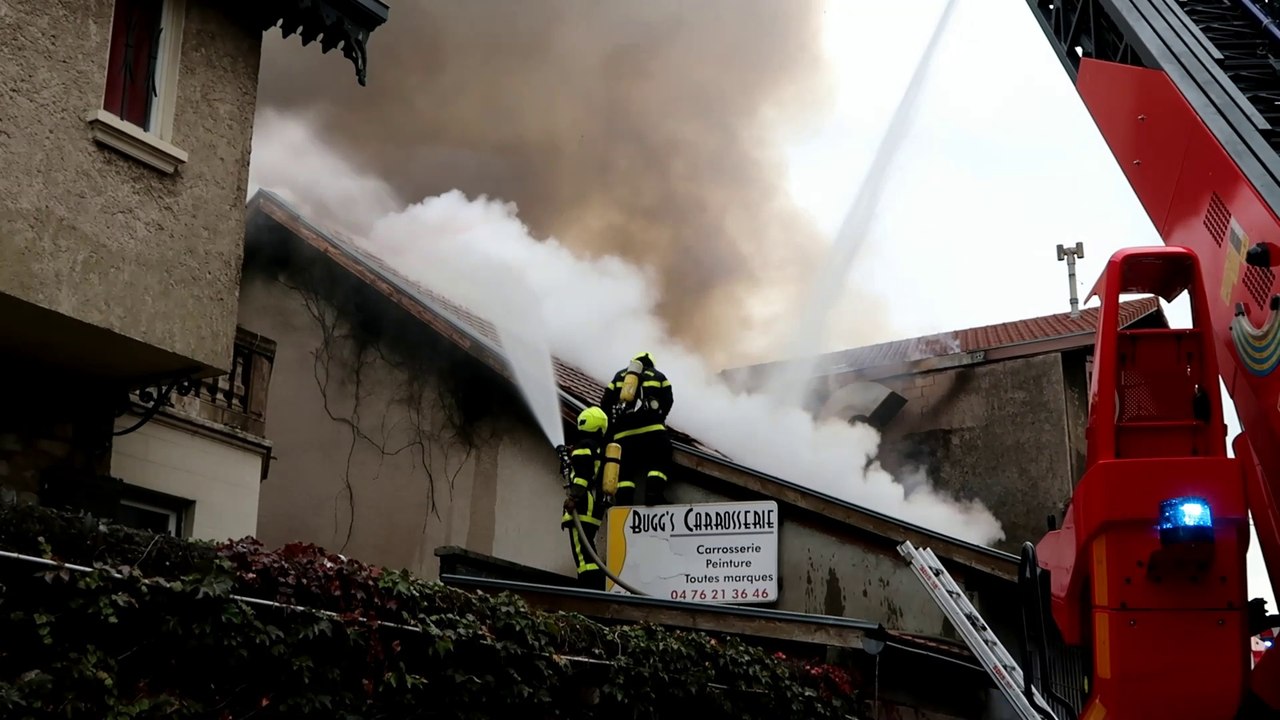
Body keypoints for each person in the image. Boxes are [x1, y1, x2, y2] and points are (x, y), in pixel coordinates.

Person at [599, 352, 673, 506]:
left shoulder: (620, 376)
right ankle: (653, 495)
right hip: (653, 433)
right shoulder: (659, 376)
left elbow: (605, 403)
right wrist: (659, 417)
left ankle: (624, 504)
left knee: (625, 471)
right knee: (659, 461)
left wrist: (614, 427)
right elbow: (668, 400)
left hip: (623, 437)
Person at [560, 406, 609, 591]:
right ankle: (593, 586)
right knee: (588, 552)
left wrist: (573, 498)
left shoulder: (583, 448)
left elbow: (581, 476)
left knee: (583, 555)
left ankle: (589, 590)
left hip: (582, 507)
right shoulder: (596, 448)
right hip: (593, 507)